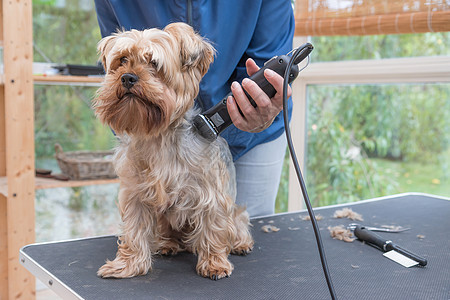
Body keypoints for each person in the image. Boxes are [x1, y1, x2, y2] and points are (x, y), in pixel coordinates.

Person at [94, 0, 295, 217]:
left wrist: (260, 102)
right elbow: (112, 67)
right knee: (153, 226)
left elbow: (268, 64)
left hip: (249, 130)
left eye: (153, 64)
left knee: (245, 229)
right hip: (150, 133)